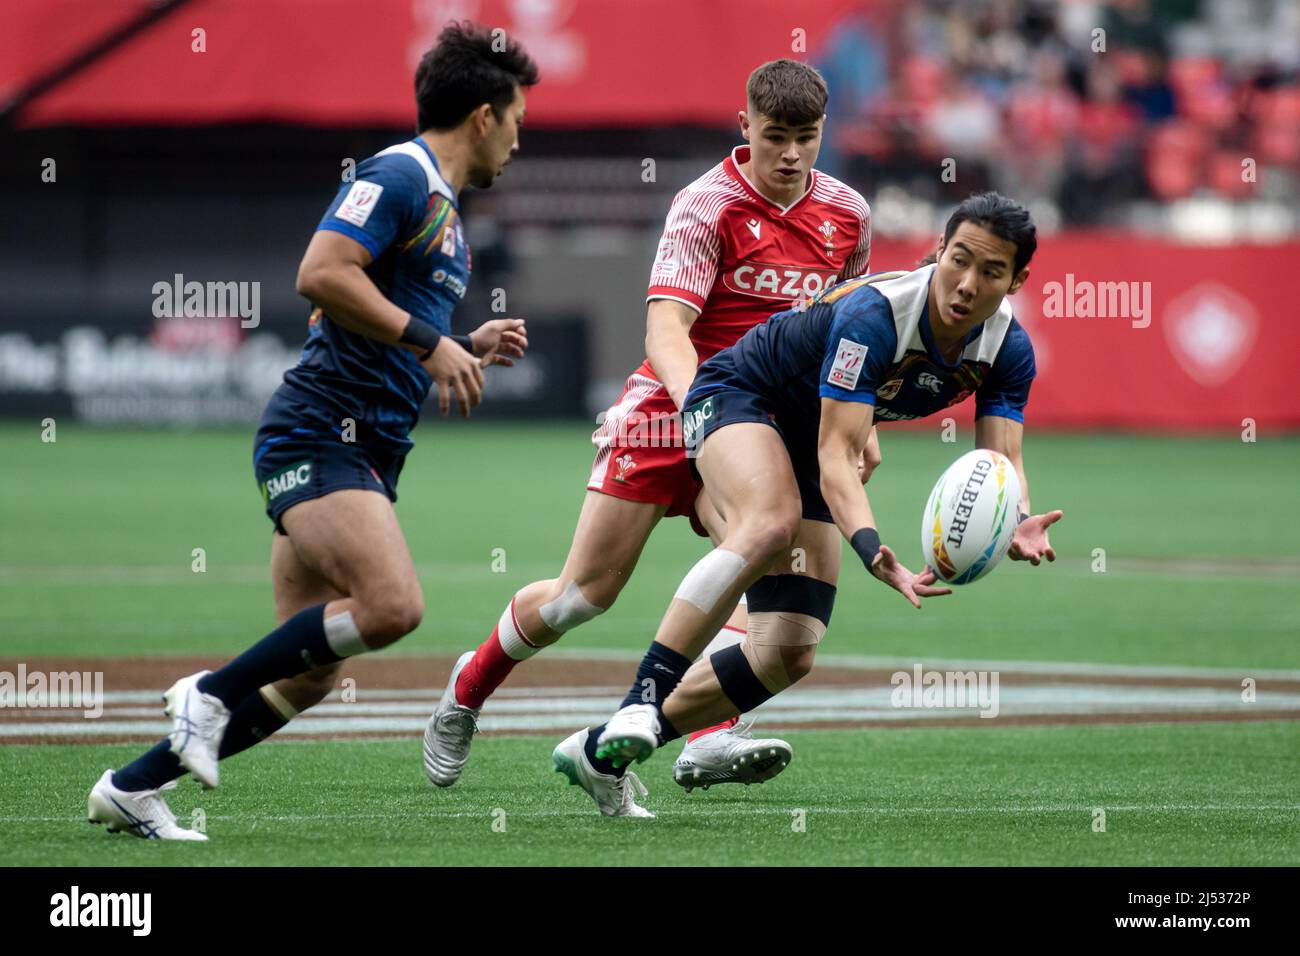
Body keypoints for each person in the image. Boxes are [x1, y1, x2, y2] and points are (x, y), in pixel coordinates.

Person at [86, 22, 538, 840]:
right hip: (321, 435)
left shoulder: (443, 208)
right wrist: (433, 343)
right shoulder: (398, 174)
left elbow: (382, 313)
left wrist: (462, 342)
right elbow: (320, 274)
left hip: (364, 444)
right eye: (515, 119)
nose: (518, 138)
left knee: (312, 673)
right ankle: (209, 694)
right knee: (393, 606)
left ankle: (132, 786)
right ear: (482, 115)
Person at [423, 59, 873, 816]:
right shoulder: (708, 205)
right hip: (674, 411)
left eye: (806, 138)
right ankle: (468, 688)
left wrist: (851, 423)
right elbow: (667, 324)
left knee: (766, 551)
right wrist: (703, 411)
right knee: (582, 596)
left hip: (767, 423)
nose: (792, 154)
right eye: (775, 137)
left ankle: (704, 734)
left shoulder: (849, 214)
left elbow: (850, 326)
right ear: (745, 129)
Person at [554, 192, 1064, 814]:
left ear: (1018, 280)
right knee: (769, 524)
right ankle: (642, 695)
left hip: (804, 428)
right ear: (938, 251)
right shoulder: (877, 316)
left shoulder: (1009, 350)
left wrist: (1017, 515)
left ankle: (605, 748)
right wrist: (874, 550)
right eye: (959, 260)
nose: (967, 283)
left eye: (991, 272)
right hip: (740, 391)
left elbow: (999, 462)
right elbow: (837, 454)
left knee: (789, 649)